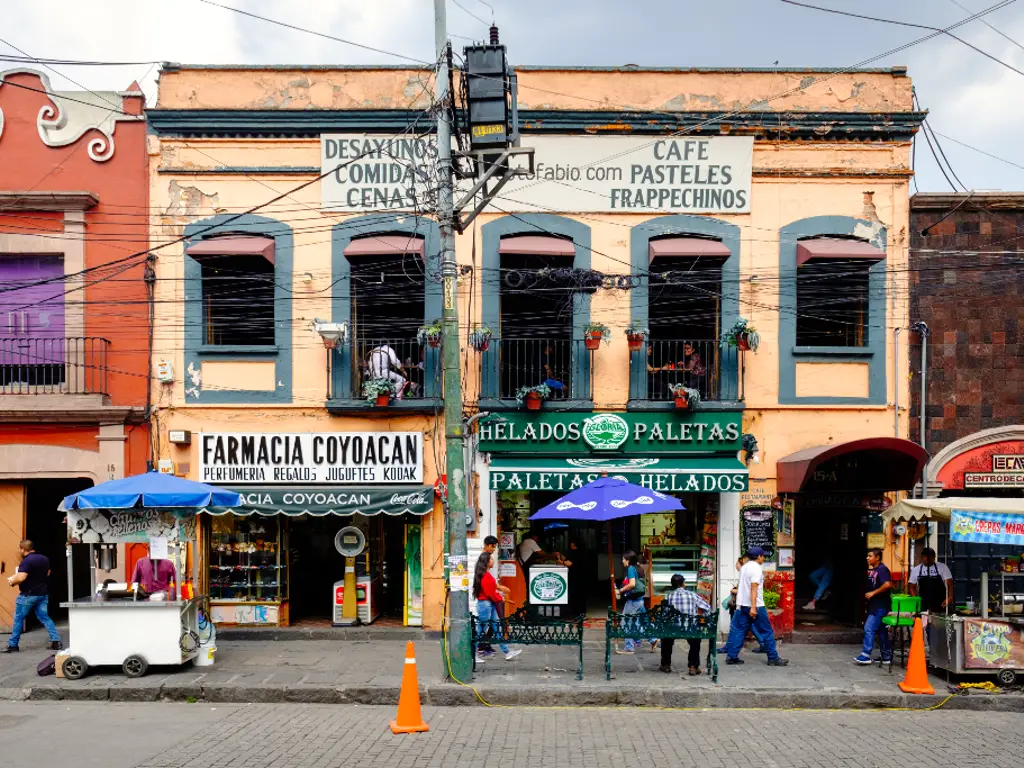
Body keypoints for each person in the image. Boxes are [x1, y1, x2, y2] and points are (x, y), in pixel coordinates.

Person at [724, 547, 789, 666]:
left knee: (740, 630)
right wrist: (753, 607)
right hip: (755, 605)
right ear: (758, 556)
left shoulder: (745, 567)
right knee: (767, 631)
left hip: (743, 605)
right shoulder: (756, 569)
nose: (763, 558)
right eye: (763, 556)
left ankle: (732, 656)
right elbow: (753, 587)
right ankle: (773, 658)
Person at [4, 540, 62, 652]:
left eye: (19, 549)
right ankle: (56, 641)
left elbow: (21, 578)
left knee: (18, 619)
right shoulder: (44, 559)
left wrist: (12, 582)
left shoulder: (26, 561)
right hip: (42, 594)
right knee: (45, 617)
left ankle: (13, 645)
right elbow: (48, 573)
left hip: (28, 595)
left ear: (23, 549)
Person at [472, 551, 521, 662]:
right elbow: (490, 593)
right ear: (487, 562)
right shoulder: (486, 576)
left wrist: (498, 596)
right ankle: (473, 655)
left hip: (489, 604)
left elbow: (491, 592)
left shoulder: (485, 575)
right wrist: (500, 598)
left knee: (496, 628)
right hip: (486, 605)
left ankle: (507, 652)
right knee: (481, 630)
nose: (493, 560)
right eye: (491, 559)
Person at [660, 573, 711, 676]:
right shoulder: (692, 595)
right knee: (695, 641)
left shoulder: (668, 597)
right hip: (690, 628)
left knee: (666, 639)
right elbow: (707, 608)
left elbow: (664, 614)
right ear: (683, 584)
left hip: (673, 629)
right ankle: (693, 666)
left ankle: (666, 664)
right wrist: (703, 619)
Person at [718, 556, 768, 654]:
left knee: (739, 628)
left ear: (741, 564)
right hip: (746, 606)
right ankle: (731, 652)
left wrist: (734, 590)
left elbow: (750, 590)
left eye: (737, 563)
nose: (736, 565)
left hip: (745, 606)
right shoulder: (747, 573)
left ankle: (731, 651)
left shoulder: (748, 573)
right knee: (744, 627)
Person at [856, 548, 893, 665]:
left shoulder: (882, 569)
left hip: (880, 605)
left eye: (870, 556)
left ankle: (865, 655)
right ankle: (886, 656)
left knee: (869, 628)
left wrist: (873, 593)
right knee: (882, 630)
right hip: (875, 605)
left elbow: (888, 584)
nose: (868, 558)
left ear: (877, 558)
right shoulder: (874, 570)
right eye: (868, 556)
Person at [614, 550, 646, 655]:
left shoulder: (631, 569)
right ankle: (653, 638)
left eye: (623, 559)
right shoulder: (639, 568)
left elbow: (632, 584)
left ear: (627, 560)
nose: (622, 561)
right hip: (640, 599)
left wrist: (620, 590)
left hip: (633, 601)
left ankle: (629, 647)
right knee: (635, 624)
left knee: (625, 622)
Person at [907, 547, 953, 614]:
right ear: (921, 557)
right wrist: (916, 600)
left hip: (941, 604)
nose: (927, 559)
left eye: (930, 557)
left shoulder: (943, 567)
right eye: (925, 557)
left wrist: (949, 598)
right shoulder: (915, 570)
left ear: (934, 557)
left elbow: (950, 585)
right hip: (923, 604)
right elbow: (911, 587)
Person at [477, 536, 501, 655]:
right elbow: (485, 582)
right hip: (486, 598)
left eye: (495, 547)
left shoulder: (486, 557)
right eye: (492, 546)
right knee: (484, 625)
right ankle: (481, 647)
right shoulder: (483, 558)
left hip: (487, 598)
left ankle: (485, 646)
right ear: (486, 545)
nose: (493, 549)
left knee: (492, 623)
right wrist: (497, 595)